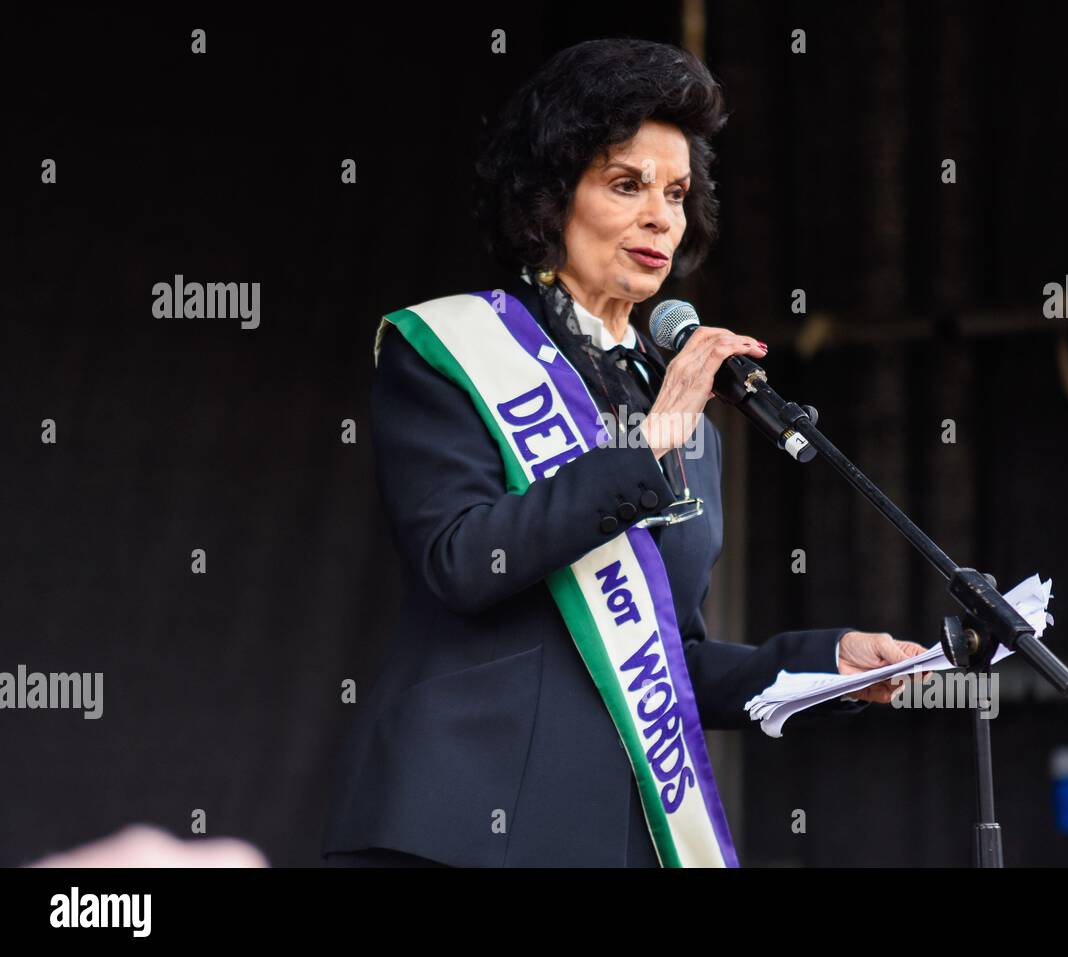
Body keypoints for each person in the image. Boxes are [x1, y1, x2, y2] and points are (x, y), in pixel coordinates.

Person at [321, 38, 925, 868]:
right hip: (463, 824)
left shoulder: (683, 418)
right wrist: (646, 448)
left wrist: (828, 667)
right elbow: (460, 559)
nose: (661, 217)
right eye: (626, 184)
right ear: (549, 197)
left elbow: (666, 662)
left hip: (616, 837)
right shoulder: (452, 348)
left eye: (676, 192)